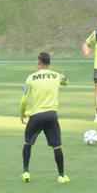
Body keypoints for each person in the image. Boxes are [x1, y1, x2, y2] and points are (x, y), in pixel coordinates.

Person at [19, 52, 68, 184]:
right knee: (57, 146)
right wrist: (62, 78)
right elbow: (66, 81)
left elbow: (24, 100)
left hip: (36, 116)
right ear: (49, 63)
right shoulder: (56, 75)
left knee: (28, 143)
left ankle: (26, 172)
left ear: (39, 62)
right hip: (51, 115)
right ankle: (62, 175)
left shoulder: (30, 78)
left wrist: (22, 113)